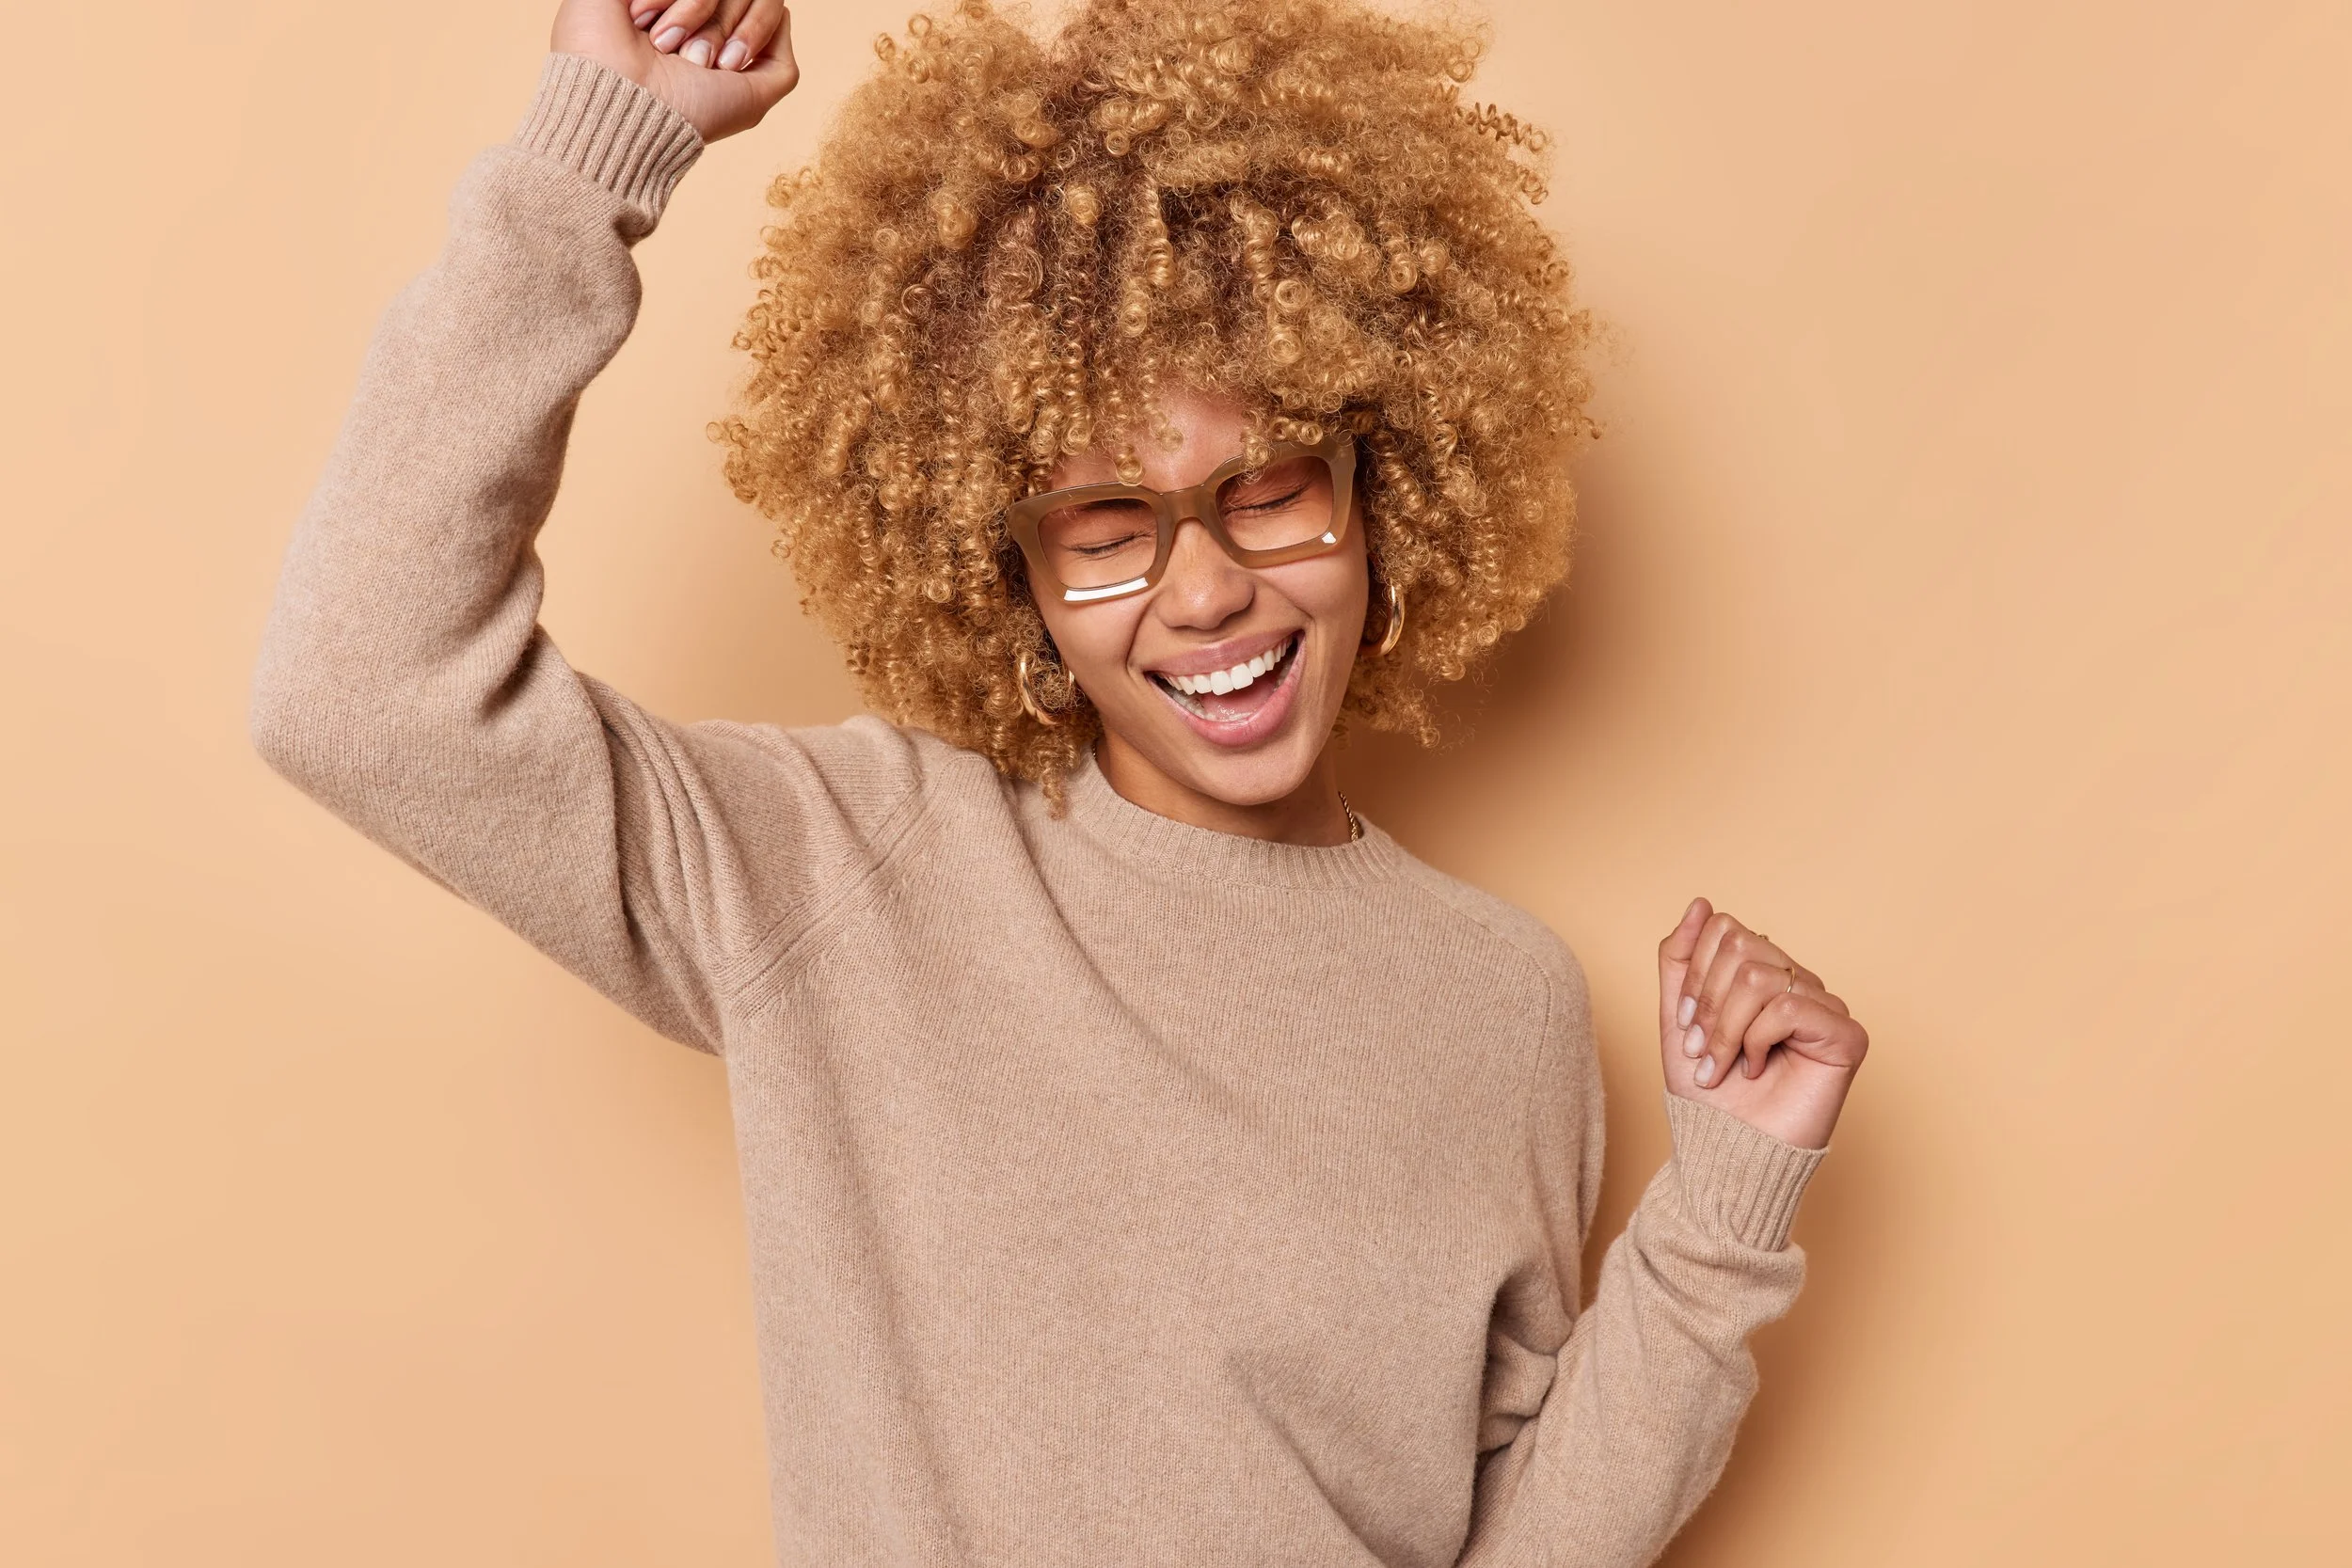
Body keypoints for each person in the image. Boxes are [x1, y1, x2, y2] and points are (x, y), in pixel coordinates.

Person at [248, 0, 1870, 1562]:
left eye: (1271, 489)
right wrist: (587, 163)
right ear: (1014, 584)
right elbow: (361, 690)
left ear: (1388, 493)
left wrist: (1720, 1219)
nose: (1206, 587)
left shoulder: (1504, 1002)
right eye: (1104, 532)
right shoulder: (860, 869)